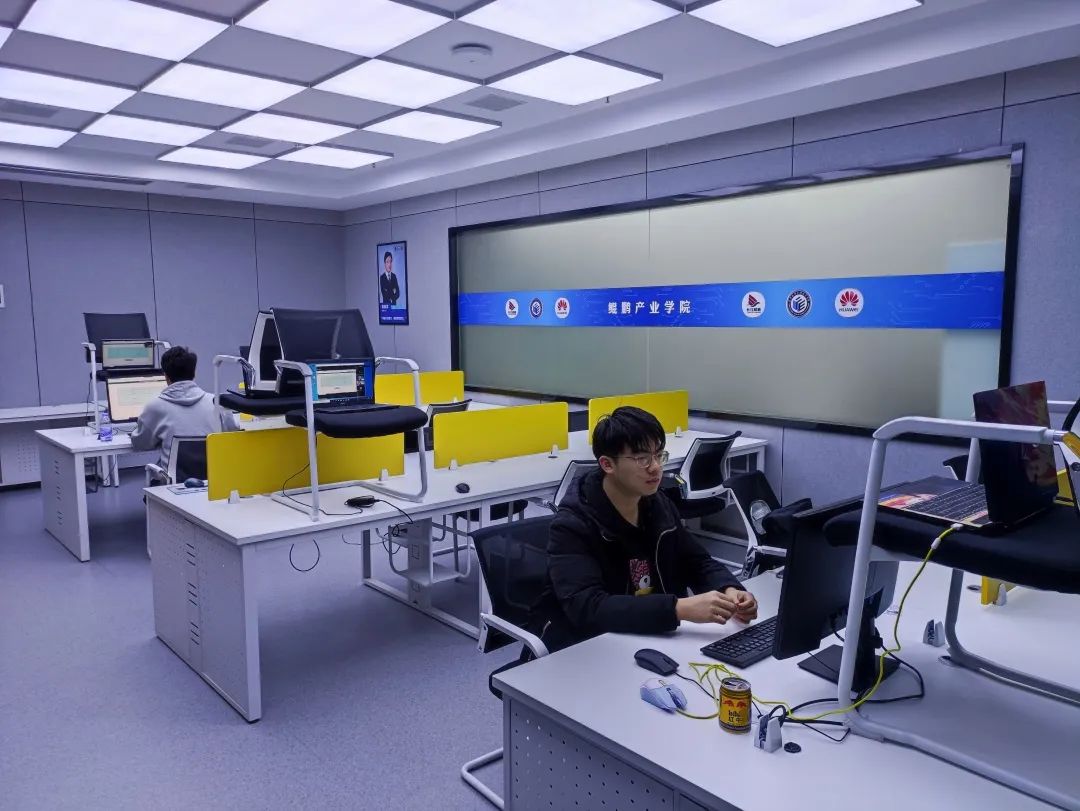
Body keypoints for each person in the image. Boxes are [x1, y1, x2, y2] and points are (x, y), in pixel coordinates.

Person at [531, 406, 758, 653]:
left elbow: (696, 561)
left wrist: (729, 589)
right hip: (594, 647)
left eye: (659, 455)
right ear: (607, 464)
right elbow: (588, 607)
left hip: (656, 637)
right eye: (642, 459)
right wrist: (677, 609)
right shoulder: (572, 525)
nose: (656, 467)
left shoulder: (658, 504)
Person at [131, 346, 238, 474]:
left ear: (166, 376)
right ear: (194, 373)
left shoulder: (155, 407)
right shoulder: (218, 403)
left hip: (175, 485)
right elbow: (233, 436)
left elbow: (140, 444)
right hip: (214, 482)